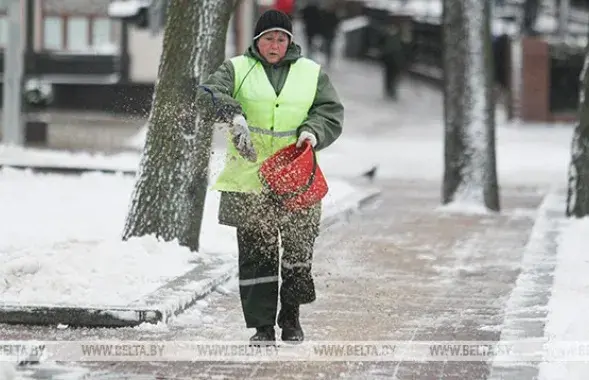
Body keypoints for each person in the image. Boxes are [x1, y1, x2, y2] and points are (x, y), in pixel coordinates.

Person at [198, 9, 344, 344]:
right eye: (268, 38)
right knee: (256, 256)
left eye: (281, 38)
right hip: (250, 182)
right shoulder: (236, 68)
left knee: (297, 252)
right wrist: (233, 115)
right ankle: (262, 326)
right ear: (257, 41)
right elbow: (208, 93)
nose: (274, 44)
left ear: (290, 41)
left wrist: (313, 132)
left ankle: (291, 317)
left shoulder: (311, 73)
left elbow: (329, 111)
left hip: (296, 179)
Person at [380, 24, 405, 100]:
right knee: (391, 77)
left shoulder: (394, 37)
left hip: (392, 60)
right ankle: (390, 90)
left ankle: (390, 90)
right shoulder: (395, 37)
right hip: (391, 60)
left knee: (391, 77)